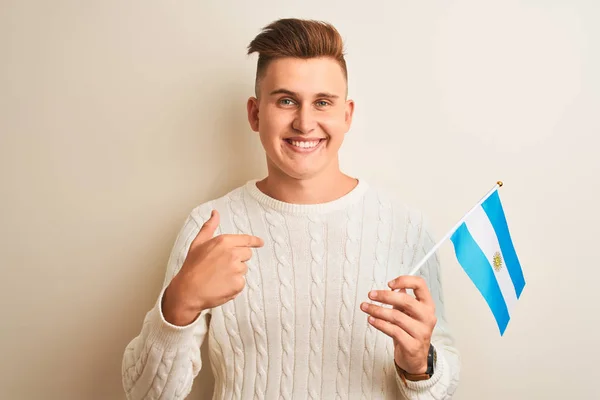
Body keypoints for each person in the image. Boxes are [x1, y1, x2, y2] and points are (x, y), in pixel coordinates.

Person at [121, 18, 460, 400]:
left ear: (346, 115)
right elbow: (144, 395)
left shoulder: (407, 227)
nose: (304, 122)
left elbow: (443, 391)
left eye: (322, 103)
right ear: (254, 113)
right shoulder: (210, 226)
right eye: (286, 101)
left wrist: (420, 365)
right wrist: (178, 305)